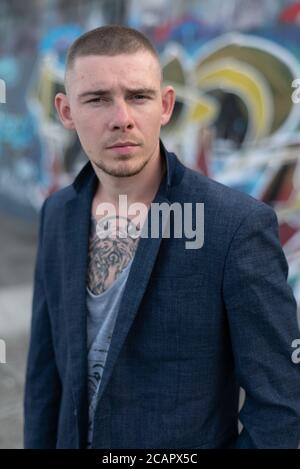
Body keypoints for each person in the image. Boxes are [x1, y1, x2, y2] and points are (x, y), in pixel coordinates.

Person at [24, 25, 300, 449]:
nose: (122, 119)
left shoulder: (233, 226)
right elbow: (45, 376)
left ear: (166, 105)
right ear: (65, 111)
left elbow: (283, 406)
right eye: (97, 99)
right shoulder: (59, 212)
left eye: (138, 96)